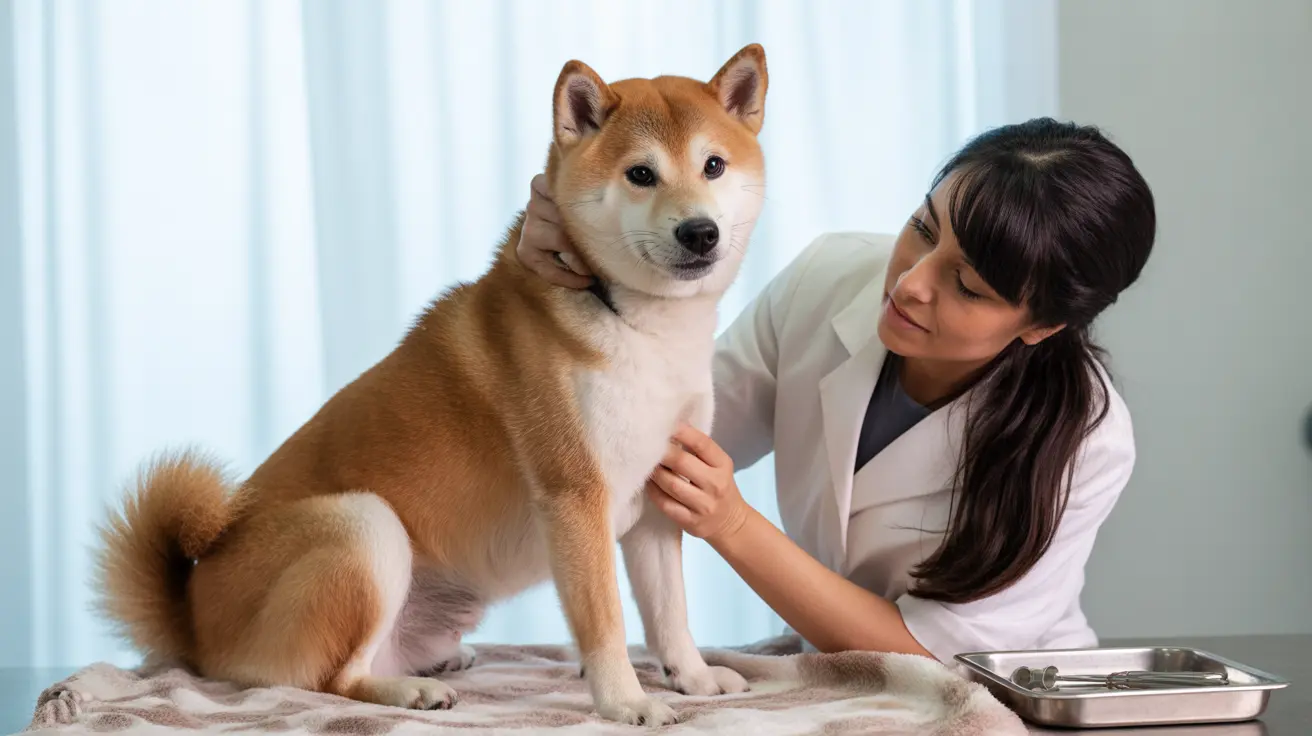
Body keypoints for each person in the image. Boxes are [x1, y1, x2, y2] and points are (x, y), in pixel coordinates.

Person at [515, 117, 1156, 664]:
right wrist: (586, 257)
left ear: (1042, 325)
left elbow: (934, 653)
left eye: (967, 286)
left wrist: (732, 523)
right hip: (836, 679)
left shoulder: (1090, 441)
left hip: (999, 700)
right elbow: (654, 447)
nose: (909, 283)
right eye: (924, 230)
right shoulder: (830, 276)